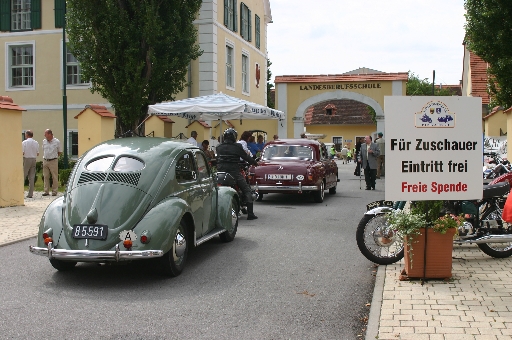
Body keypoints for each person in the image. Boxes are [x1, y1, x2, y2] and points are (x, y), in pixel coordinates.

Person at [216, 128, 259, 220]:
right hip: (234, 172)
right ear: (234, 137)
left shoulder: (219, 147)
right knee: (247, 190)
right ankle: (250, 214)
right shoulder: (237, 146)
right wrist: (255, 163)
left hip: (220, 173)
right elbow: (246, 157)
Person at [42, 129, 62, 196]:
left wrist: (54, 157)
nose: (44, 135)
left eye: (45, 134)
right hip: (45, 160)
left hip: (53, 161)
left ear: (50, 134)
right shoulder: (44, 141)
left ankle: (54, 191)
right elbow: (43, 149)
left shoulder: (56, 141)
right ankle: (46, 191)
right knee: (46, 176)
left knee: (54, 176)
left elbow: (59, 152)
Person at [22, 130, 39, 198]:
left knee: (23, 175)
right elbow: (37, 153)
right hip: (33, 159)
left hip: (27, 159)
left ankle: (20, 193)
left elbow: (22, 152)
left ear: (27, 135)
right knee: (32, 177)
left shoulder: (24, 142)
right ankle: (30, 193)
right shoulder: (36, 142)